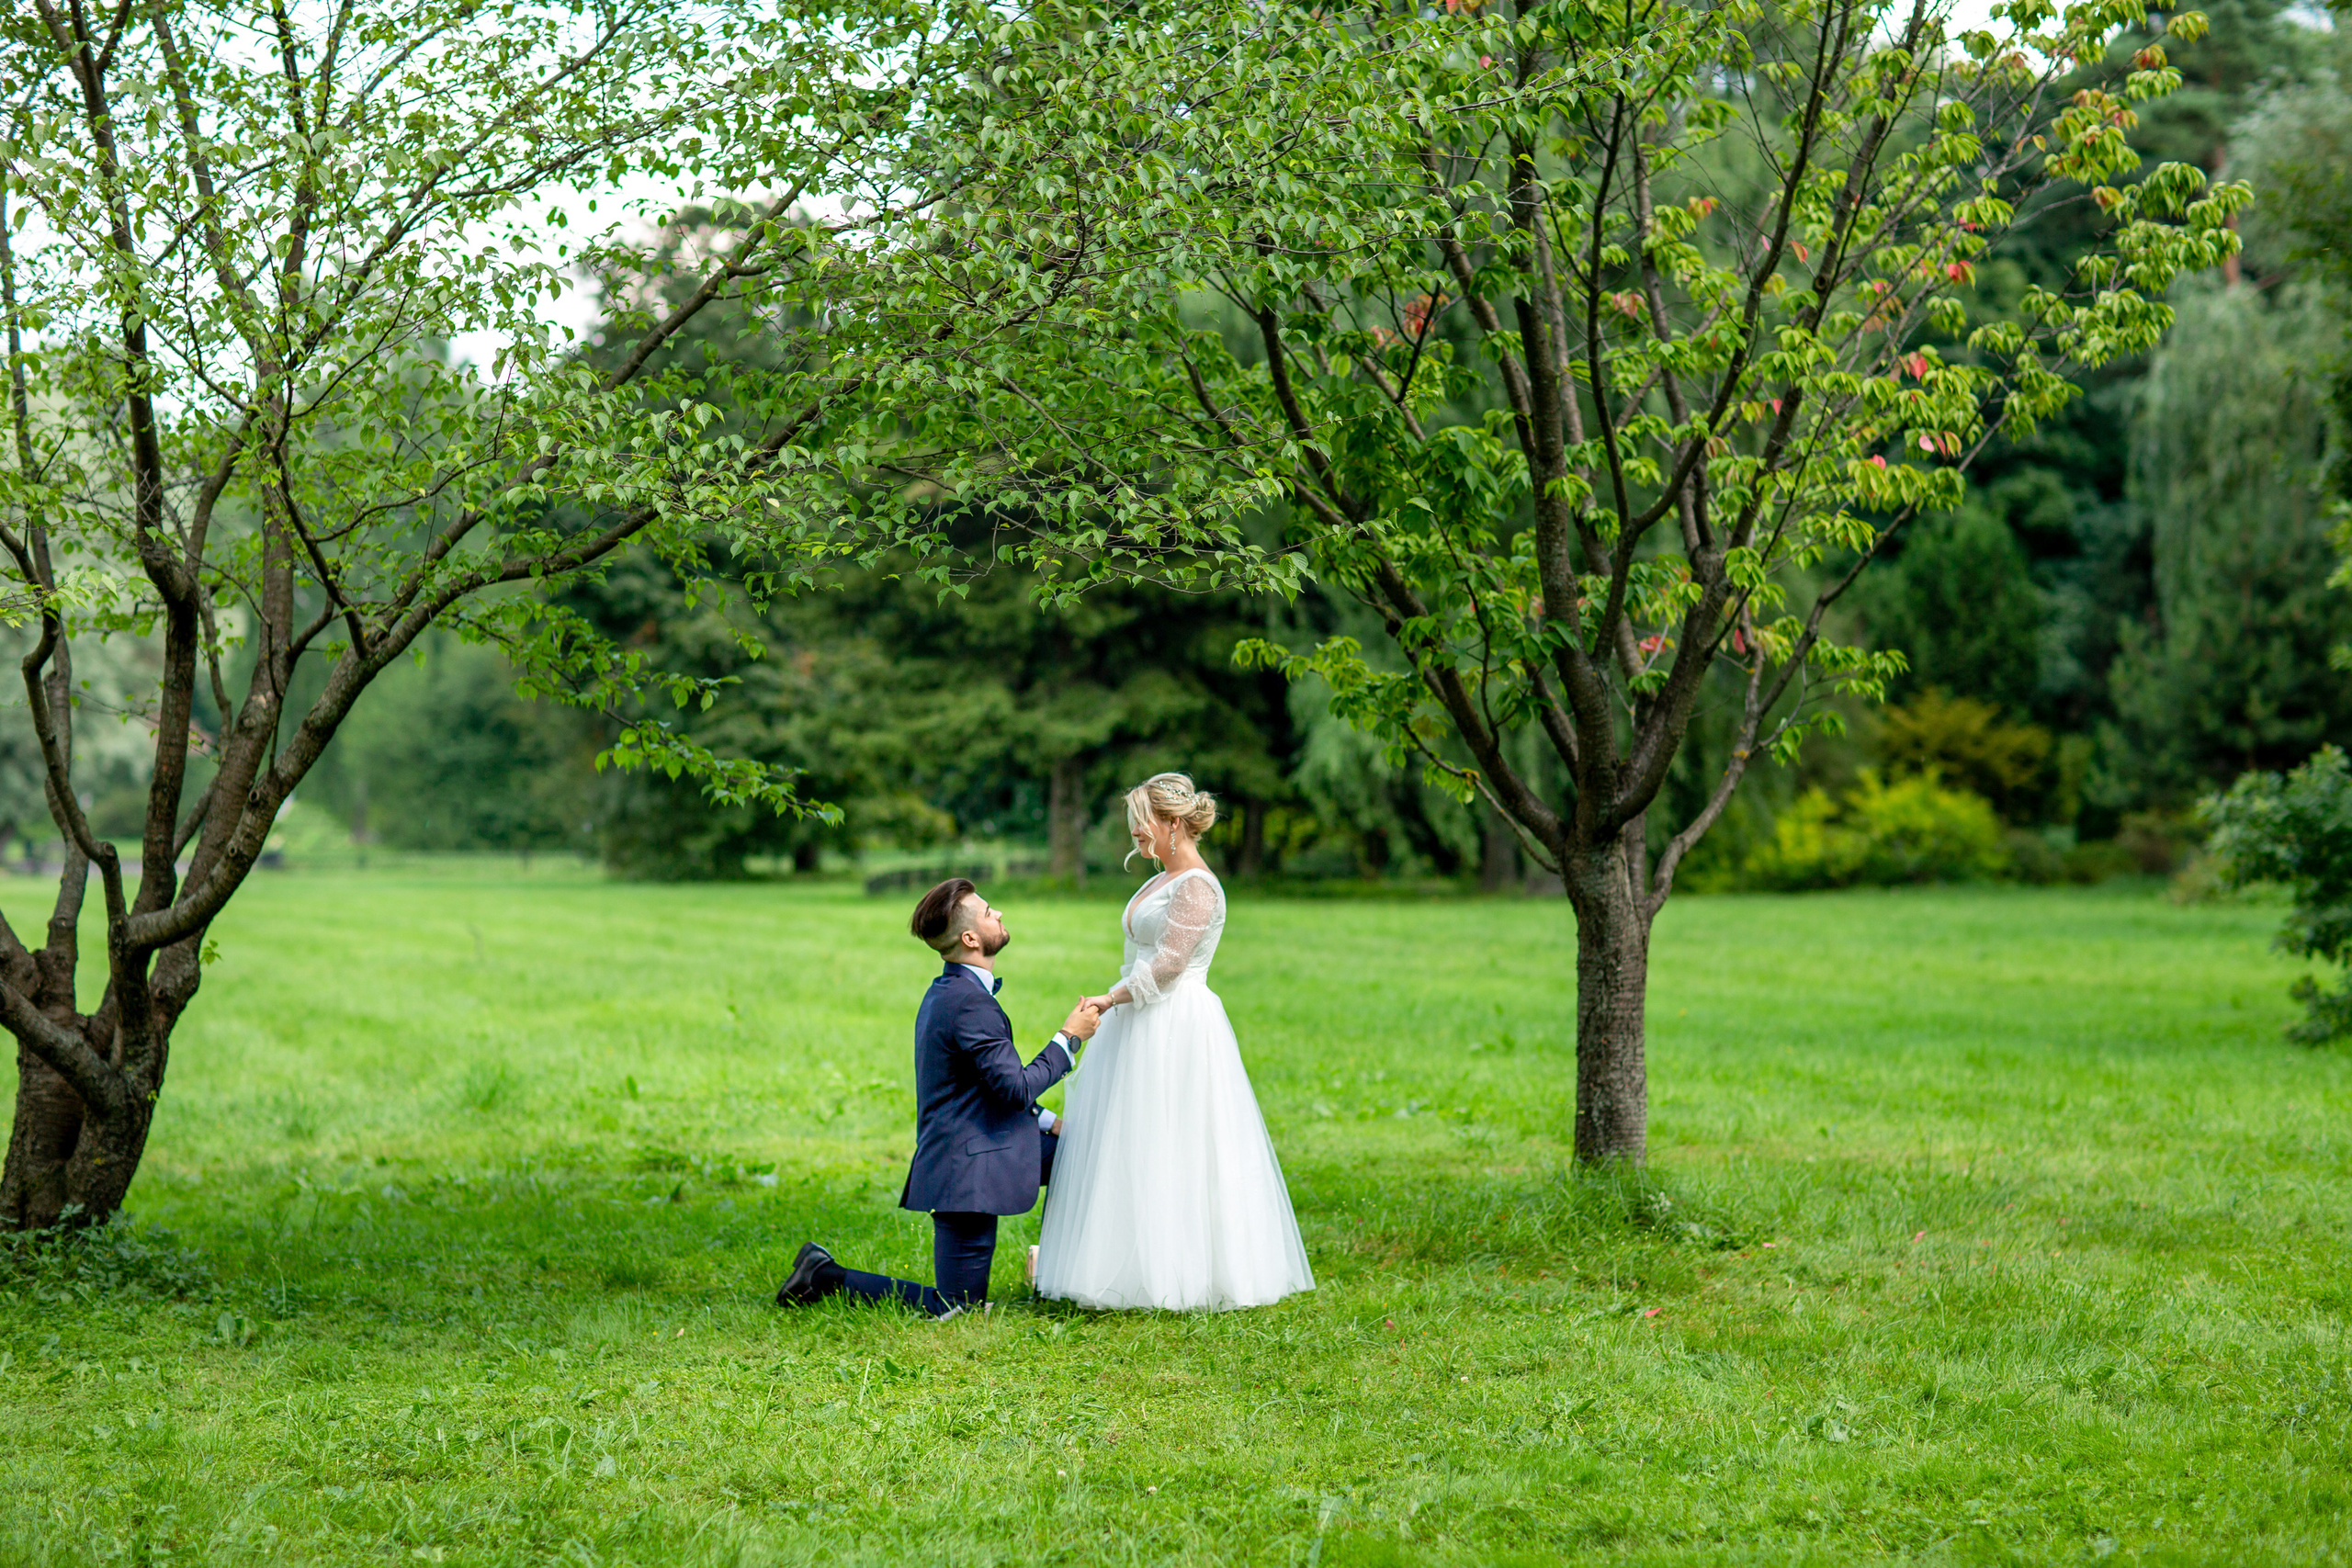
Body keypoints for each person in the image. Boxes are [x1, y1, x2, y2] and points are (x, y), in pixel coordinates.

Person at [1035, 772, 1315, 1311]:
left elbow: (1167, 967)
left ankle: (1182, 1272)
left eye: (1144, 823)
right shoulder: (1158, 878)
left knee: (1176, 1137)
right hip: (1138, 1019)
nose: (1136, 834)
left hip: (1176, 1020)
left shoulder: (1198, 886)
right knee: (1130, 1139)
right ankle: (1120, 1264)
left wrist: (1108, 999)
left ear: (1174, 823)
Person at [776, 880, 1101, 1318]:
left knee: (1080, 1155)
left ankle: (1057, 1270)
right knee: (959, 1309)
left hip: (981, 1146)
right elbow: (1015, 1087)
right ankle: (823, 1276)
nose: (999, 914)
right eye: (988, 913)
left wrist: (1047, 1123)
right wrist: (1068, 1039)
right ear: (970, 939)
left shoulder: (952, 992)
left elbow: (982, 1086)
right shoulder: (968, 1003)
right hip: (966, 1170)